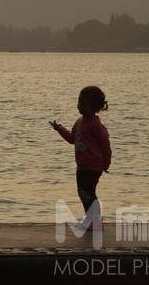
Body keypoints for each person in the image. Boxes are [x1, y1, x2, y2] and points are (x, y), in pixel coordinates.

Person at [50, 85, 112, 230]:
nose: (79, 106)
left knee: (88, 192)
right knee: (83, 192)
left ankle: (95, 222)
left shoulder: (95, 125)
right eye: (78, 102)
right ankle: (91, 221)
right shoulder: (79, 122)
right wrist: (59, 129)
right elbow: (72, 139)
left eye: (83, 103)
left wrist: (106, 163)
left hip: (93, 166)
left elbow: (105, 144)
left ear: (94, 107)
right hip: (82, 166)